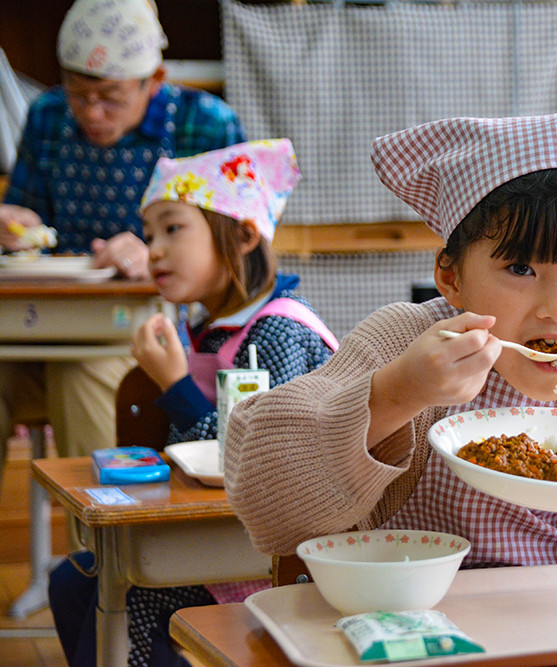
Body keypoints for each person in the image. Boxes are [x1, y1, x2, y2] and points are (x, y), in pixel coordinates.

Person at [224, 106, 557, 568]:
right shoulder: (406, 339)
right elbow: (263, 502)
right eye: (520, 266)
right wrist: (399, 392)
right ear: (451, 279)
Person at [47, 138, 339, 667]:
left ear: (245, 235)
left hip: (270, 547)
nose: (153, 248)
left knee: (138, 598)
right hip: (211, 525)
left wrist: (174, 386)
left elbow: (254, 464)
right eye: (149, 232)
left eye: (173, 228)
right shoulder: (209, 331)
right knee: (71, 581)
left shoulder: (274, 332)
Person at [0, 0, 245, 491]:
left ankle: (99, 552)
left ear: (153, 79)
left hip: (148, 333)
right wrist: (15, 227)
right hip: (43, 322)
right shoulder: (48, 115)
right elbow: (28, 235)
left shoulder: (204, 123)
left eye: (110, 97)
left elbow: (236, 256)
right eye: (78, 93)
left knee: (84, 374)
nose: (92, 112)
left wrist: (157, 253)